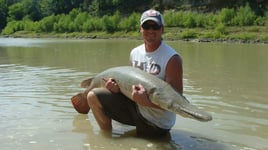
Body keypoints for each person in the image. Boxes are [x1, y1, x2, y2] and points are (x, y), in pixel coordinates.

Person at [72, 9, 183, 137]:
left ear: (162, 29)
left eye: (155, 26)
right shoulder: (135, 53)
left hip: (157, 122)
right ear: (141, 29)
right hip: (136, 108)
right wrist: (115, 89)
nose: (151, 30)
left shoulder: (172, 58)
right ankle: (106, 138)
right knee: (92, 95)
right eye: (146, 26)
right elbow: (129, 88)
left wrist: (145, 101)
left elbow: (176, 103)